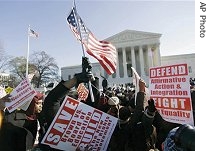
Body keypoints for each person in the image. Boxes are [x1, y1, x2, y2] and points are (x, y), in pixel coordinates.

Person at [38, 56, 96, 150]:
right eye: (72, 104)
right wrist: (76, 79)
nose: (76, 107)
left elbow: (95, 105)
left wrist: (89, 79)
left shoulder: (85, 121)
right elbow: (52, 100)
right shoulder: (58, 122)